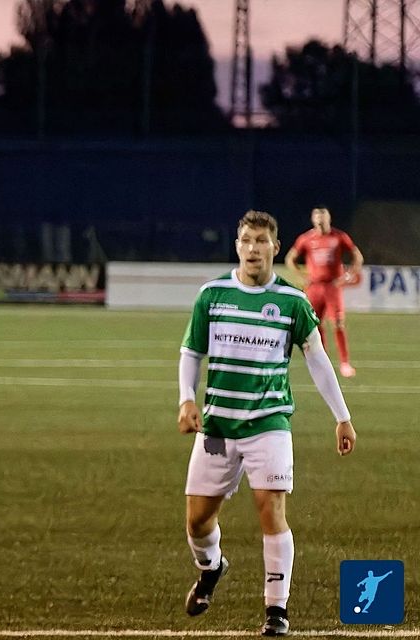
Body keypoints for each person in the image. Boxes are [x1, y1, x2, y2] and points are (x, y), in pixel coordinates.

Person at [178, 210, 357, 637]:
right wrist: (186, 398)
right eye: (245, 240)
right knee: (197, 522)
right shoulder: (212, 295)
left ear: (276, 247)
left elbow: (316, 359)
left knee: (271, 511)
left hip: (268, 424)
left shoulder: (292, 302)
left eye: (261, 241)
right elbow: (191, 352)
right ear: (236, 245)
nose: (252, 248)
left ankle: (276, 609)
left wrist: (342, 417)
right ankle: (212, 567)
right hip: (218, 428)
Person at [284, 207, 363, 378]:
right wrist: (302, 277)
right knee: (315, 325)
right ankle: (322, 360)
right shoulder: (306, 238)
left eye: (323, 217)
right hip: (314, 287)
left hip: (332, 287)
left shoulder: (339, 237)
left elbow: (357, 255)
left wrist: (349, 275)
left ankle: (344, 363)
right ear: (313, 219)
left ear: (329, 218)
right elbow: (290, 258)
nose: (320, 220)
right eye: (317, 217)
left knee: (338, 323)